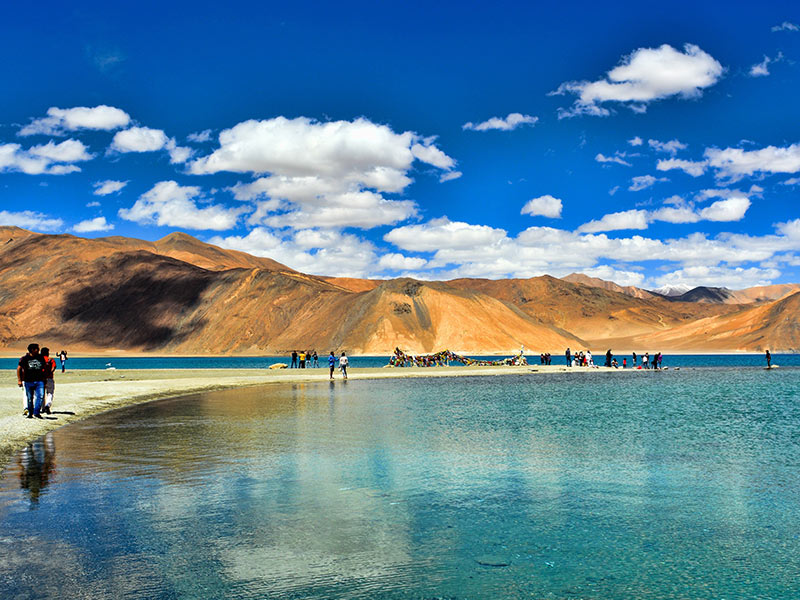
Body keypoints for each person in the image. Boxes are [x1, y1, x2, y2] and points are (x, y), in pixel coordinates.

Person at [18, 343, 46, 419]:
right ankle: (30, 413)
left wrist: (44, 379)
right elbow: (19, 368)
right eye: (37, 349)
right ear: (32, 350)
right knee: (30, 398)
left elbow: (44, 368)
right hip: (28, 381)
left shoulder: (40, 357)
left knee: (40, 396)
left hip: (39, 381)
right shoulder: (25, 358)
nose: (38, 350)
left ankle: (36, 412)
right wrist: (19, 380)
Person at [41, 347, 56, 415]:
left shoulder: (39, 360)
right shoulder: (51, 359)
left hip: (41, 378)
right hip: (49, 378)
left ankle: (43, 408)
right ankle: (47, 405)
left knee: (41, 394)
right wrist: (50, 372)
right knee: (50, 393)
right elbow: (54, 367)